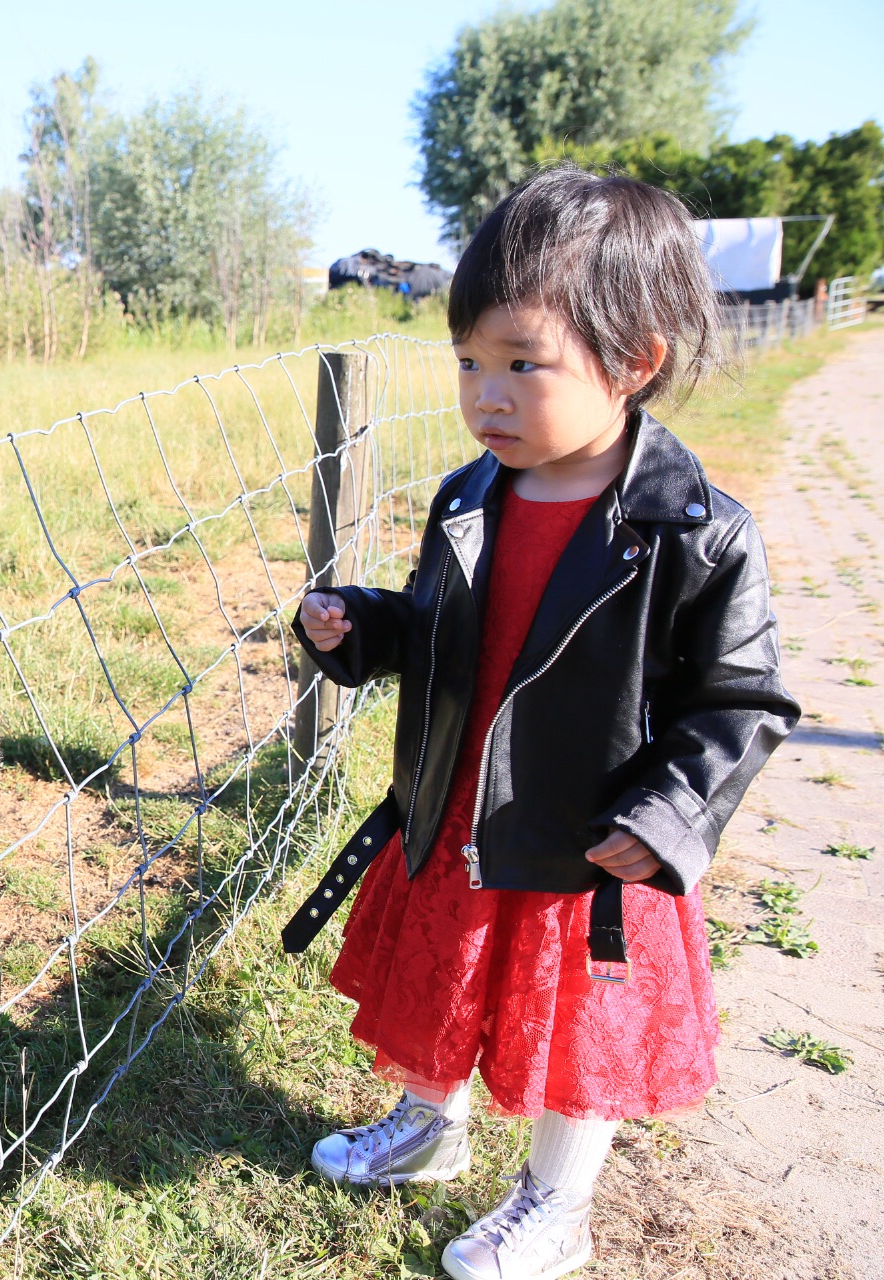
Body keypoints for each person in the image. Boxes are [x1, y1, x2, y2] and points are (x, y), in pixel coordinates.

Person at [286, 167, 798, 1280]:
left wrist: (670, 813)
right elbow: (439, 629)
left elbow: (741, 701)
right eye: (470, 361)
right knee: (447, 979)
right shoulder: (473, 495)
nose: (488, 394)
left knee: (574, 1028)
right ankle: (431, 1121)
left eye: (525, 363)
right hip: (460, 801)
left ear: (635, 362)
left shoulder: (696, 533)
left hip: (591, 840)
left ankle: (556, 1201)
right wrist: (362, 629)